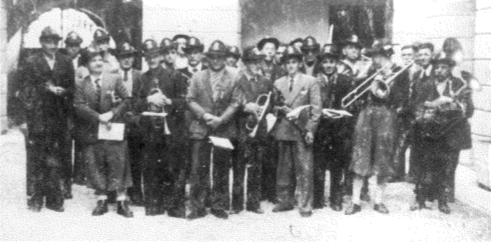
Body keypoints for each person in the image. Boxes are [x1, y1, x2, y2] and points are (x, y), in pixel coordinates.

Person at [345, 39, 410, 215]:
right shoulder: (370, 69)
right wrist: (366, 74)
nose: (373, 58)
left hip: (387, 117)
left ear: (384, 55)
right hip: (367, 115)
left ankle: (379, 201)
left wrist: (387, 85)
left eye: (376, 55)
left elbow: (402, 99)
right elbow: (356, 91)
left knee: (383, 158)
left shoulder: (400, 72)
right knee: (361, 155)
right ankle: (355, 201)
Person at [19, 26, 75, 212]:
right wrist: (24, 120)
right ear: (41, 42)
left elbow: (72, 89)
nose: (52, 45)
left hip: (59, 116)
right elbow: (25, 91)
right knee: (37, 157)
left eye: (55, 42)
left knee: (56, 157)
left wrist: (63, 91)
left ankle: (54, 198)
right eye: (48, 41)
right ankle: (36, 198)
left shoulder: (66, 61)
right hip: (38, 116)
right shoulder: (31, 61)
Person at [74, 47, 133, 218]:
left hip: (113, 128)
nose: (98, 63)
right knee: (95, 161)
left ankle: (122, 200)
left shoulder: (114, 78)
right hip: (93, 128)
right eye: (93, 60)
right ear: (86, 64)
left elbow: (127, 100)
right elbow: (79, 105)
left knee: (118, 161)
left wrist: (112, 113)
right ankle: (102, 199)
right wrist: (98, 116)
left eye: (101, 59)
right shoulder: (81, 84)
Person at [411, 52, 473, 214]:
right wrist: (431, 106)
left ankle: (442, 201)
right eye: (437, 67)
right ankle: (420, 199)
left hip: (450, 132)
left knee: (446, 167)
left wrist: (456, 104)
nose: (439, 71)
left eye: (443, 68)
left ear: (450, 69)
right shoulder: (426, 85)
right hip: (429, 131)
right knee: (424, 165)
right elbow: (417, 105)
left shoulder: (459, 84)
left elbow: (468, 110)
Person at [186, 40, 241, 220]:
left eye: (220, 57)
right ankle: (197, 206)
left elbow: (236, 102)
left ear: (225, 58)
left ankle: (219, 205)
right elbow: (190, 100)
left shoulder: (234, 77)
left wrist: (221, 119)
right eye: (212, 57)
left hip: (223, 128)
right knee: (198, 168)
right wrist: (204, 115)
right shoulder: (197, 77)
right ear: (207, 58)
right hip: (201, 127)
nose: (216, 61)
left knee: (221, 167)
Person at [136, 39, 187, 217]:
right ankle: (153, 206)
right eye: (148, 56)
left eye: (155, 55)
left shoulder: (175, 76)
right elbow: (134, 104)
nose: (152, 59)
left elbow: (184, 102)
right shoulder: (142, 78)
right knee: (150, 168)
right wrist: (148, 100)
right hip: (150, 130)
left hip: (170, 129)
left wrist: (169, 101)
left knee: (172, 167)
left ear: (161, 56)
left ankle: (174, 207)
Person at [272, 46, 321, 217]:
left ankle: (305, 204)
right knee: (284, 168)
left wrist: (310, 130)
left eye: (294, 62)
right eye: (287, 63)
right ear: (284, 65)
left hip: (301, 130)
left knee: (304, 168)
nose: (291, 66)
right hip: (284, 129)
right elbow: (273, 107)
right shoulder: (278, 83)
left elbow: (316, 109)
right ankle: (284, 200)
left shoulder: (310, 81)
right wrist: (279, 108)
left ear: (300, 63)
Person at [231, 46, 274, 215]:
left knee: (256, 166)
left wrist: (263, 107)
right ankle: (236, 203)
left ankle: (253, 202)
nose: (257, 64)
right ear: (245, 63)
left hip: (259, 127)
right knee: (238, 165)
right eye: (253, 61)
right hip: (241, 127)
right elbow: (231, 101)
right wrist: (244, 106)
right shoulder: (237, 80)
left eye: (259, 61)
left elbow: (271, 103)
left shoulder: (265, 81)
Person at [312, 44, 355, 211]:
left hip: (338, 127)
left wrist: (341, 113)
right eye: (325, 62)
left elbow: (351, 104)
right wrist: (320, 112)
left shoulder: (345, 80)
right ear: (321, 63)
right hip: (321, 128)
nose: (328, 65)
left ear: (336, 63)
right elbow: (310, 103)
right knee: (319, 164)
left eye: (331, 62)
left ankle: (335, 199)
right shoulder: (314, 80)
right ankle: (317, 198)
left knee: (337, 165)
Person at [115, 42, 144, 206]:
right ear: (118, 58)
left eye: (129, 57)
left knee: (135, 158)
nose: (126, 60)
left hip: (134, 122)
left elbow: (142, 98)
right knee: (115, 156)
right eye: (123, 57)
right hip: (117, 120)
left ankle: (135, 191)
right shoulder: (111, 75)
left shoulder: (141, 76)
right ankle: (114, 190)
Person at [59, 31, 84, 198]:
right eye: (70, 45)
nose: (73, 48)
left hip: (82, 108)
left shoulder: (85, 60)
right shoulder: (60, 60)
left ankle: (80, 178)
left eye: (76, 45)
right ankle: (65, 186)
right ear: (66, 45)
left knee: (82, 143)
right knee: (66, 145)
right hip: (66, 108)